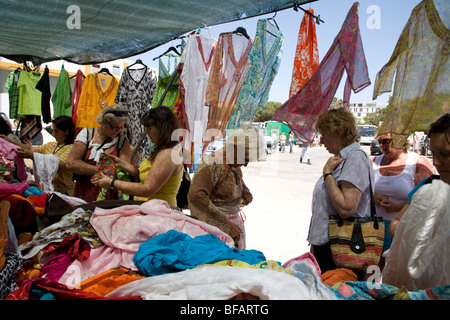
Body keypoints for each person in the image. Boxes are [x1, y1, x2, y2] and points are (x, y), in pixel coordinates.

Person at [382, 113, 450, 290]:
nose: (436, 162)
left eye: (445, 154)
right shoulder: (428, 187)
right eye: (434, 153)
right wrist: (420, 234)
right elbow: (396, 223)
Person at [307, 108, 373, 275]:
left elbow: (346, 208)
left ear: (337, 131)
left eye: (324, 135)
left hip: (341, 248)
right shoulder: (345, 158)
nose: (321, 141)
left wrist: (327, 174)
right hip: (330, 246)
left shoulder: (355, 158)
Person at [187, 125, 265, 249]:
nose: (245, 164)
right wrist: (225, 225)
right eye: (245, 159)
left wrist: (245, 190)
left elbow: (237, 182)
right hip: (215, 233)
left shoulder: (233, 164)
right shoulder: (211, 164)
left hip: (231, 230)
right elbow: (196, 196)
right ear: (234, 148)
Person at [92, 106, 183, 207]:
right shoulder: (163, 150)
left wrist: (112, 183)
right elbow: (147, 175)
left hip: (159, 212)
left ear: (162, 128)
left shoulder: (168, 154)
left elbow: (147, 189)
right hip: (151, 209)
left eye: (150, 129)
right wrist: (123, 164)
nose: (147, 133)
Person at [372, 133, 434, 255]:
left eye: (387, 141)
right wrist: (372, 198)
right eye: (380, 141)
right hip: (373, 227)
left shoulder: (417, 162)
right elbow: (361, 192)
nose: (382, 145)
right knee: (373, 269)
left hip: (402, 228)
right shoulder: (374, 161)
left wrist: (399, 207)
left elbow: (426, 199)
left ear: (400, 140)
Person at [66, 104, 136, 202]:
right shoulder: (87, 135)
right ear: (104, 122)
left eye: (121, 128)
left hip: (109, 196)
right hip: (85, 192)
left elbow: (122, 172)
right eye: (115, 128)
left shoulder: (122, 142)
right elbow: (70, 163)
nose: (118, 131)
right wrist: (101, 170)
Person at [1, 116, 76, 195]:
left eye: (56, 131)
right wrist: (8, 141)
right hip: (50, 191)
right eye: (53, 131)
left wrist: (32, 155)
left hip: (65, 192)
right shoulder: (51, 145)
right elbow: (30, 148)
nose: (53, 134)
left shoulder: (72, 149)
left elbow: (60, 165)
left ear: (66, 132)